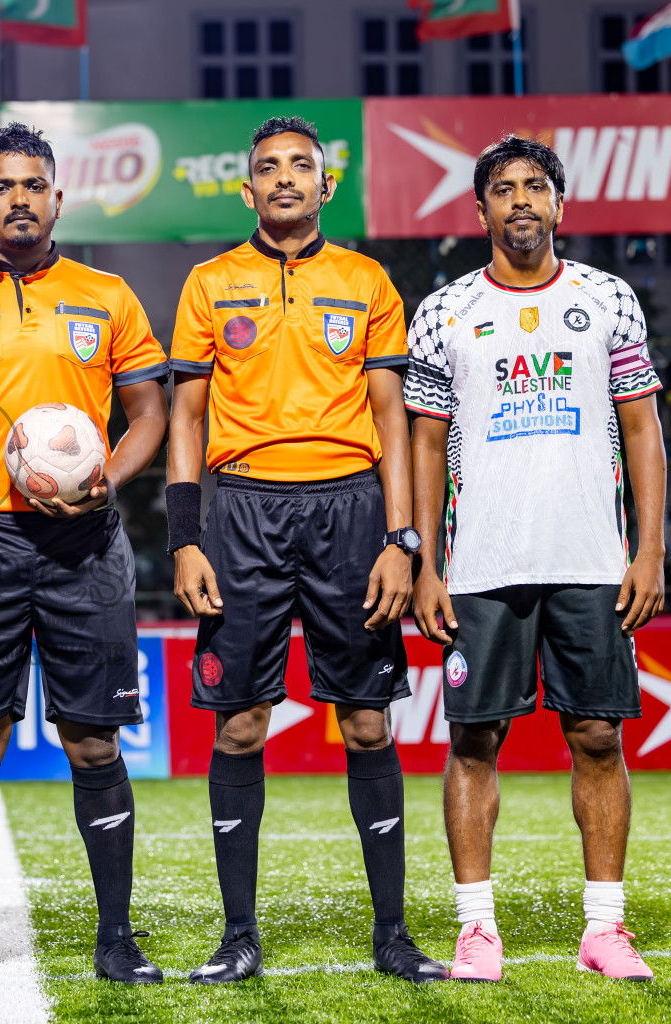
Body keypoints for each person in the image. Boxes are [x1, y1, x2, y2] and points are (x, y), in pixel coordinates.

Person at [166, 116, 446, 985]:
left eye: (302, 168)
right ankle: (238, 936)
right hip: (243, 507)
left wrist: (403, 540)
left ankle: (392, 935)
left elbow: (393, 418)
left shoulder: (366, 280)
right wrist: (184, 538)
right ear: (245, 191)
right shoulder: (210, 282)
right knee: (241, 723)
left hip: (351, 510)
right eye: (267, 169)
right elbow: (186, 416)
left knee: (367, 720)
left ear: (327, 188)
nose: (284, 179)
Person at [0, 123, 170, 989]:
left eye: (34, 185)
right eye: (1, 186)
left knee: (94, 742)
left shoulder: (108, 295)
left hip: (85, 543)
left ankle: (116, 936)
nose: (19, 199)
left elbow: (150, 415)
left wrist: (105, 480)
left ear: (57, 198)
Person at [407, 134, 666, 983]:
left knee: (596, 734)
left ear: (560, 204)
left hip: (591, 558)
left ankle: (605, 929)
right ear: (479, 209)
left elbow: (641, 430)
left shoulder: (608, 298)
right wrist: (423, 561)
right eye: (503, 189)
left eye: (535, 187)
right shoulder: (444, 310)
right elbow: (423, 441)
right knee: (475, 739)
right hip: (481, 563)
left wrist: (649, 549)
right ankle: (476, 930)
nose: (520, 201)